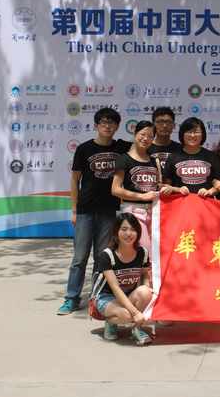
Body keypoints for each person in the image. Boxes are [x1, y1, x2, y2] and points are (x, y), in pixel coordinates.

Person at [57, 107, 131, 316]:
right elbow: (75, 180)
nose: (108, 126)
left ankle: (96, 298)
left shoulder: (122, 147)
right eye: (103, 122)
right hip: (85, 210)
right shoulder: (84, 149)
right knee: (79, 257)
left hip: (109, 211)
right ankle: (71, 298)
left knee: (102, 257)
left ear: (117, 126)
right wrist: (74, 209)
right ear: (96, 125)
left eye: (112, 123)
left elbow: (143, 145)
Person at [92, 213, 154, 345]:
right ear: (116, 231)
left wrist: (147, 293)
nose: (129, 234)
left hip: (127, 295)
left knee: (145, 291)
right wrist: (135, 312)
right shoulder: (107, 255)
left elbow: (144, 275)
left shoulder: (143, 253)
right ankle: (110, 322)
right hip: (106, 298)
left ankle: (136, 329)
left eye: (133, 230)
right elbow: (115, 288)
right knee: (126, 315)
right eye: (124, 229)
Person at [111, 120, 160, 251]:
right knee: (144, 249)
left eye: (150, 136)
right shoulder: (124, 159)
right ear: (135, 133)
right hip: (132, 211)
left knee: (155, 251)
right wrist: (142, 196)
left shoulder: (154, 160)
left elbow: (158, 185)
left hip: (154, 212)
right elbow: (115, 189)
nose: (146, 139)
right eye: (142, 134)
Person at [161, 117, 220, 197]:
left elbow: (219, 184)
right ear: (182, 134)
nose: (192, 135)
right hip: (180, 203)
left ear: (203, 134)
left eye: (196, 132)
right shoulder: (173, 157)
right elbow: (165, 185)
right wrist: (177, 189)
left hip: (205, 202)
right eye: (189, 132)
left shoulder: (211, 156)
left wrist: (210, 191)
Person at [148, 106, 182, 171]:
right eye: (160, 122)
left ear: (174, 125)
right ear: (153, 125)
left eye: (168, 122)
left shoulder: (180, 149)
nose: (164, 126)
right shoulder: (146, 148)